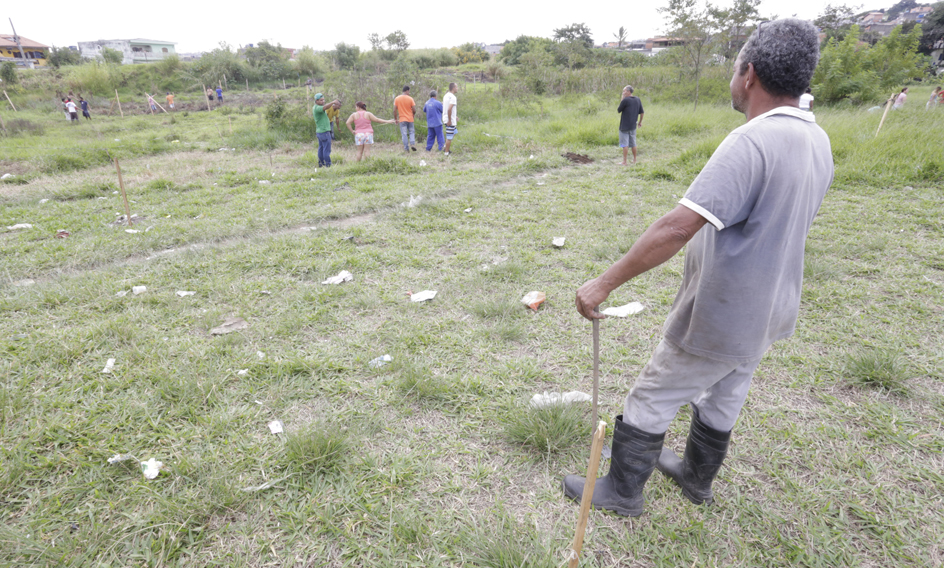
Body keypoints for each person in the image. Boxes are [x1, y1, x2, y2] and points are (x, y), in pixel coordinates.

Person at [562, 18, 833, 518]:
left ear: (748, 74)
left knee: (652, 394)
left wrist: (603, 283)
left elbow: (675, 229)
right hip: (770, 309)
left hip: (724, 311)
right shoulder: (818, 141)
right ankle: (695, 476)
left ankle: (622, 492)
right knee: (725, 392)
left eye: (733, 69)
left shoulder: (751, 142)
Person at [617, 85, 644, 165]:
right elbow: (642, 112)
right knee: (633, 143)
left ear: (628, 92)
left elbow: (619, 110)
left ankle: (624, 161)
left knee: (624, 143)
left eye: (624, 91)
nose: (623, 92)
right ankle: (635, 160)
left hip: (624, 126)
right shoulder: (637, 99)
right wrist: (640, 122)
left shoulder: (625, 100)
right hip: (633, 126)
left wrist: (622, 98)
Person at [313, 93, 341, 167]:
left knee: (321, 148)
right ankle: (328, 164)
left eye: (323, 100)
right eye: (321, 100)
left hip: (320, 132)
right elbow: (325, 107)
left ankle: (321, 164)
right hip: (324, 132)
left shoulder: (317, 107)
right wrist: (332, 102)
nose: (323, 101)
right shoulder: (317, 108)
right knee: (326, 149)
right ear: (316, 101)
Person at [394, 85, 417, 152]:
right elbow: (414, 110)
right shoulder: (410, 99)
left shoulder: (397, 99)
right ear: (407, 91)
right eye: (409, 91)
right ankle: (412, 144)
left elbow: (394, 110)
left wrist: (395, 119)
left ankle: (406, 148)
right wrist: (413, 115)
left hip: (402, 119)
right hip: (410, 119)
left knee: (404, 134)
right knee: (411, 132)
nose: (409, 93)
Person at [443, 83, 458, 156]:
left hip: (447, 118)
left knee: (454, 132)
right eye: (456, 87)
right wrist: (449, 120)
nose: (457, 88)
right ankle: (446, 152)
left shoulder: (446, 95)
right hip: (450, 121)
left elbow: (445, 106)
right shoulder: (453, 97)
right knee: (449, 138)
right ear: (453, 88)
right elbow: (449, 109)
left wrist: (455, 116)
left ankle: (445, 147)